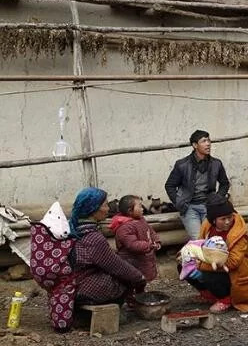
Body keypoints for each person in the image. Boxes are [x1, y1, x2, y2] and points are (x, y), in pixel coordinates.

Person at [30, 187, 145, 332]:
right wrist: (139, 278)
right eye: (105, 205)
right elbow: (116, 266)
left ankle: (78, 313)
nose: (108, 208)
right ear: (94, 209)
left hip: (68, 285)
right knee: (124, 279)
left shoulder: (73, 228)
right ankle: (88, 317)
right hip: (81, 289)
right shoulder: (93, 237)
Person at [182, 193, 248, 314]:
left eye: (229, 217)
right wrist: (189, 257)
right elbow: (200, 244)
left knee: (207, 273)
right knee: (184, 267)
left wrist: (201, 265)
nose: (227, 221)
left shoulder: (239, 232)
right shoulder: (207, 226)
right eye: (223, 219)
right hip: (211, 262)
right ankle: (210, 295)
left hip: (233, 271)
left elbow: (233, 262)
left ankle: (226, 299)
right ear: (214, 220)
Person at [165, 130, 230, 239]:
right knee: (197, 239)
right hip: (189, 207)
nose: (208, 144)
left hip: (208, 206)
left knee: (211, 237)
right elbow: (169, 185)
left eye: (209, 140)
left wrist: (217, 199)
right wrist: (178, 202)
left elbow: (225, 184)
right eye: (204, 141)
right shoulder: (182, 165)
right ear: (195, 145)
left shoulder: (216, 163)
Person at [110, 195, 161, 304]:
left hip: (142, 259)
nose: (143, 209)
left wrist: (156, 241)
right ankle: (130, 300)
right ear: (130, 211)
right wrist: (149, 245)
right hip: (131, 261)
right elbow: (132, 244)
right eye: (140, 207)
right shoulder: (124, 227)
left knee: (141, 282)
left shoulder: (141, 220)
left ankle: (139, 298)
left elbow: (150, 231)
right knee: (130, 282)